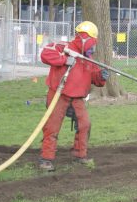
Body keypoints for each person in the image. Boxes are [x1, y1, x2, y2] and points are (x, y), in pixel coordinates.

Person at [38, 21, 109, 171]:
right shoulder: (63, 48)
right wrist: (64, 60)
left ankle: (79, 154)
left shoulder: (88, 59)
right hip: (59, 94)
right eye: (92, 43)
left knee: (85, 124)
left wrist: (101, 76)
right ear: (84, 39)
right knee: (52, 127)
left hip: (77, 98)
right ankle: (46, 159)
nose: (93, 48)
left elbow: (95, 78)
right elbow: (45, 54)